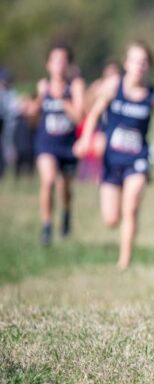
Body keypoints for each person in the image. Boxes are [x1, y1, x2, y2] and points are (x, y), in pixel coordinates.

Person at [74, 41, 154, 269]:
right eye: (135, 61)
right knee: (111, 219)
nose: (139, 66)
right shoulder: (112, 87)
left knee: (131, 206)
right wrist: (86, 137)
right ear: (126, 63)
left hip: (137, 159)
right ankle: (118, 233)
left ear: (149, 67)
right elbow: (95, 114)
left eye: (144, 62)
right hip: (112, 159)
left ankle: (124, 261)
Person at [28, 44, 85, 245]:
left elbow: (79, 117)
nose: (59, 65)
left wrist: (61, 98)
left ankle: (66, 213)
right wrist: (35, 102)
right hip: (46, 144)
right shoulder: (42, 86)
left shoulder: (75, 86)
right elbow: (33, 118)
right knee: (48, 180)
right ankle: (47, 227)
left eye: (63, 60)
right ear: (48, 64)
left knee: (65, 189)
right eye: (55, 60)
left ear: (68, 64)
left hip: (68, 146)